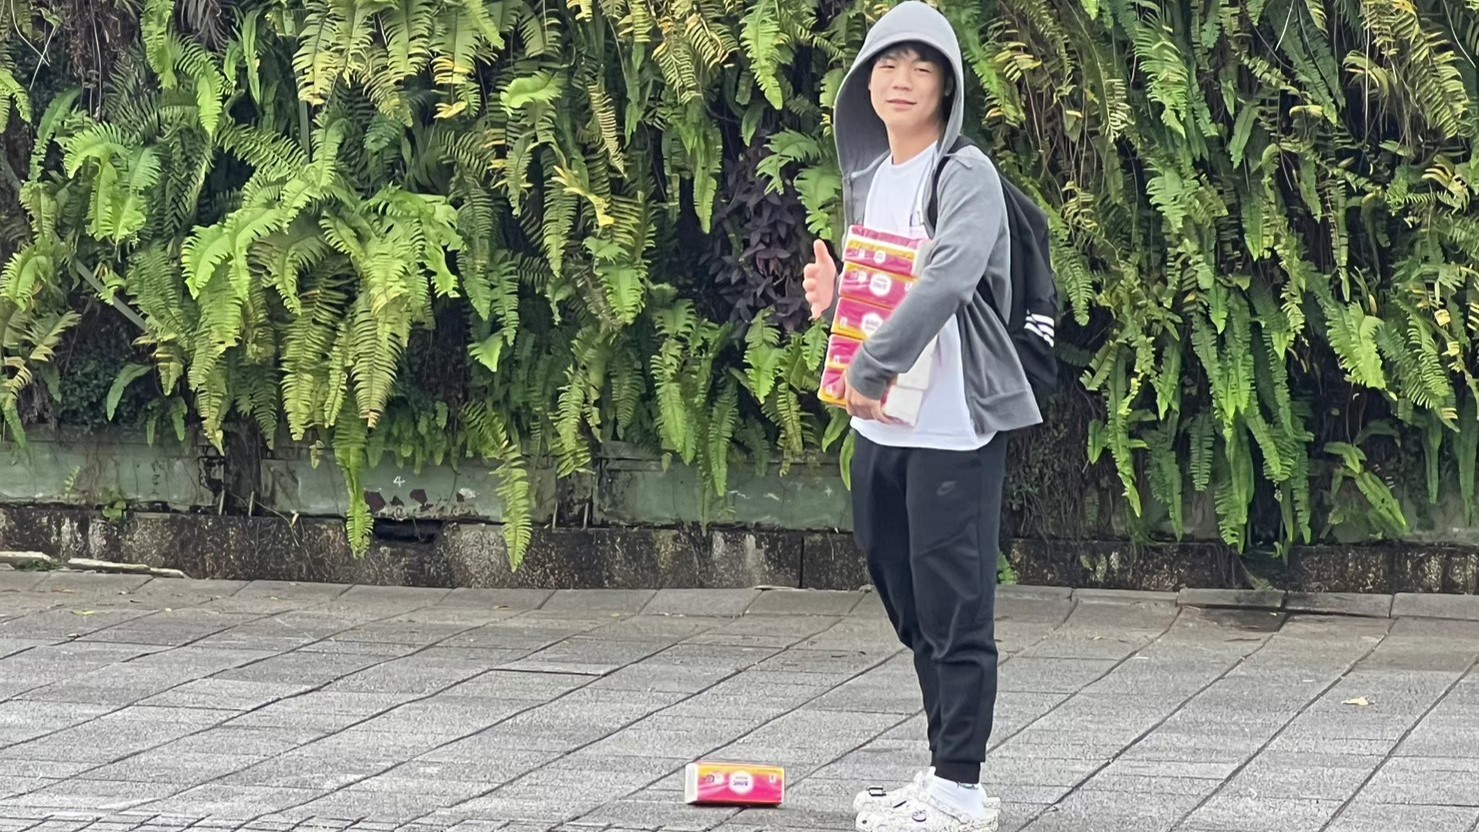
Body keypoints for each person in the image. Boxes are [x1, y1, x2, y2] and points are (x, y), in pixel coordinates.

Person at [801, 3, 1043, 831]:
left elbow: (947, 279)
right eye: (886, 65)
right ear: (862, 82)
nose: (900, 80)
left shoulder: (962, 174)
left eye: (921, 66)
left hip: (950, 430)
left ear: (947, 86)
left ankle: (961, 789)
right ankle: (942, 772)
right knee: (903, 594)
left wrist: (871, 363)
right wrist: (838, 302)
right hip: (879, 427)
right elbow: (885, 290)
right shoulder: (873, 178)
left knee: (954, 610)